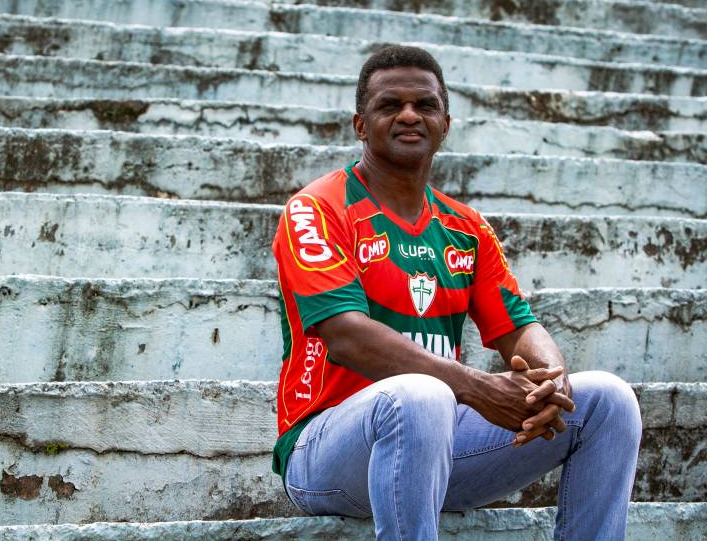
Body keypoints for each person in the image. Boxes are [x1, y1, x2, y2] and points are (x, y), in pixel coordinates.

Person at [271, 45, 642, 540]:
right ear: (361, 124)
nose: (409, 114)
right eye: (389, 105)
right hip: (325, 451)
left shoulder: (464, 226)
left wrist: (550, 382)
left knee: (609, 402)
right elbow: (346, 336)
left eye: (425, 105)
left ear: (446, 123)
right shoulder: (317, 209)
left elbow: (519, 327)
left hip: (438, 450)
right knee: (420, 396)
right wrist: (475, 388)